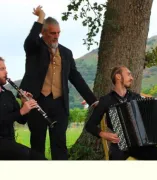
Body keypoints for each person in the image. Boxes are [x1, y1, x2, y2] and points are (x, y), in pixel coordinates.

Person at [19, 5, 97, 160]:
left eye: (58, 33)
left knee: (59, 145)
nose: (56, 36)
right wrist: (40, 17)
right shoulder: (34, 48)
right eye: (52, 33)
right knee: (37, 145)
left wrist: (92, 100)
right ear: (43, 32)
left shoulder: (66, 53)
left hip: (59, 105)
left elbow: (76, 77)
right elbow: (30, 40)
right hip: (37, 102)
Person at [85, 65, 157, 160]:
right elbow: (90, 125)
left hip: (141, 145)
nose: (132, 78)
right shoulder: (106, 100)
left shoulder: (136, 97)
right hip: (120, 145)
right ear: (118, 76)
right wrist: (103, 134)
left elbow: (154, 115)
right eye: (128, 74)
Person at [0, 57, 47, 160]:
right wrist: (21, 111)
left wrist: (24, 103)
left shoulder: (7, 94)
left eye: (5, 68)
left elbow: (21, 120)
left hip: (9, 143)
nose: (6, 72)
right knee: (36, 159)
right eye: (2, 69)